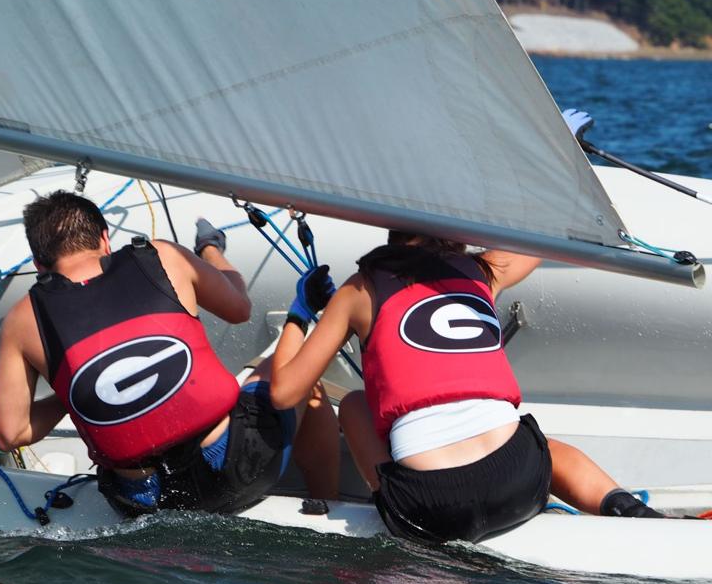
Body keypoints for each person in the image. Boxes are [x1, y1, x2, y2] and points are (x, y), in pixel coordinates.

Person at [270, 230, 666, 545]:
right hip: (518, 483)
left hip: (429, 509)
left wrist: (300, 312)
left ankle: (382, 503)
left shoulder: (358, 291)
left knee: (356, 402)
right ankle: (623, 507)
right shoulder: (484, 268)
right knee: (550, 448)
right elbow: (543, 235)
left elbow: (284, 393)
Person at [0, 190, 338, 517]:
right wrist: (211, 251)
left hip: (141, 502)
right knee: (300, 372)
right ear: (104, 238)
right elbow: (239, 308)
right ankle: (325, 505)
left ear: (38, 264)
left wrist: (75, 394)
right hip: (236, 473)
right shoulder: (163, 256)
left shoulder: (24, 319)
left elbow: (10, 434)